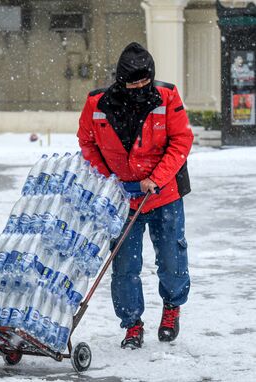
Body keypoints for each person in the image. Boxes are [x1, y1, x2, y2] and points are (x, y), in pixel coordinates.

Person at [77, 42, 193, 349]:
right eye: (133, 82)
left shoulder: (166, 97)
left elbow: (181, 141)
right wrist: (110, 179)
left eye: (144, 81)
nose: (139, 87)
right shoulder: (98, 103)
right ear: (120, 80)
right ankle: (132, 324)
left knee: (171, 258)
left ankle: (171, 308)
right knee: (124, 266)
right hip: (122, 199)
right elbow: (87, 143)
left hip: (163, 193)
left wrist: (155, 178)